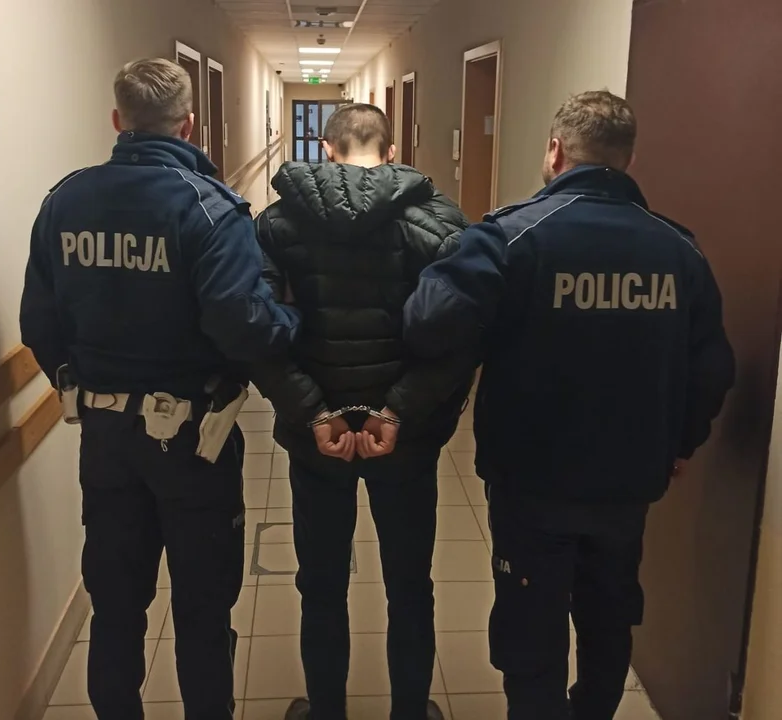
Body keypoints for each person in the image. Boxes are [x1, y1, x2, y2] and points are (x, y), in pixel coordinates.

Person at [403, 90, 735, 719]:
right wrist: (681, 443)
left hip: (533, 480)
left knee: (532, 631)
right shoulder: (678, 249)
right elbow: (713, 367)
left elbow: (428, 324)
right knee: (609, 619)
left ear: (555, 151)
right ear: (628, 158)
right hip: (629, 481)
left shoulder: (512, 236)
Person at [19, 58, 300, 720]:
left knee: (115, 603)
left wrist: (85, 384)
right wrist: (292, 321)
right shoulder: (209, 207)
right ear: (190, 123)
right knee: (203, 606)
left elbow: (38, 324)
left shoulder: (65, 201)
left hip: (105, 438)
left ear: (118, 119)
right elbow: (240, 323)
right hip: (194, 441)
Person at [249, 104, 474, 720]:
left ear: (327, 149)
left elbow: (257, 334)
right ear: (392, 151)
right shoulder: (439, 222)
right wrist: (397, 411)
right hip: (404, 438)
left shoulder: (276, 224)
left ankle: (326, 711)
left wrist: (313, 412)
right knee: (410, 586)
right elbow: (464, 339)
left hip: (317, 438)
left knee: (321, 586)